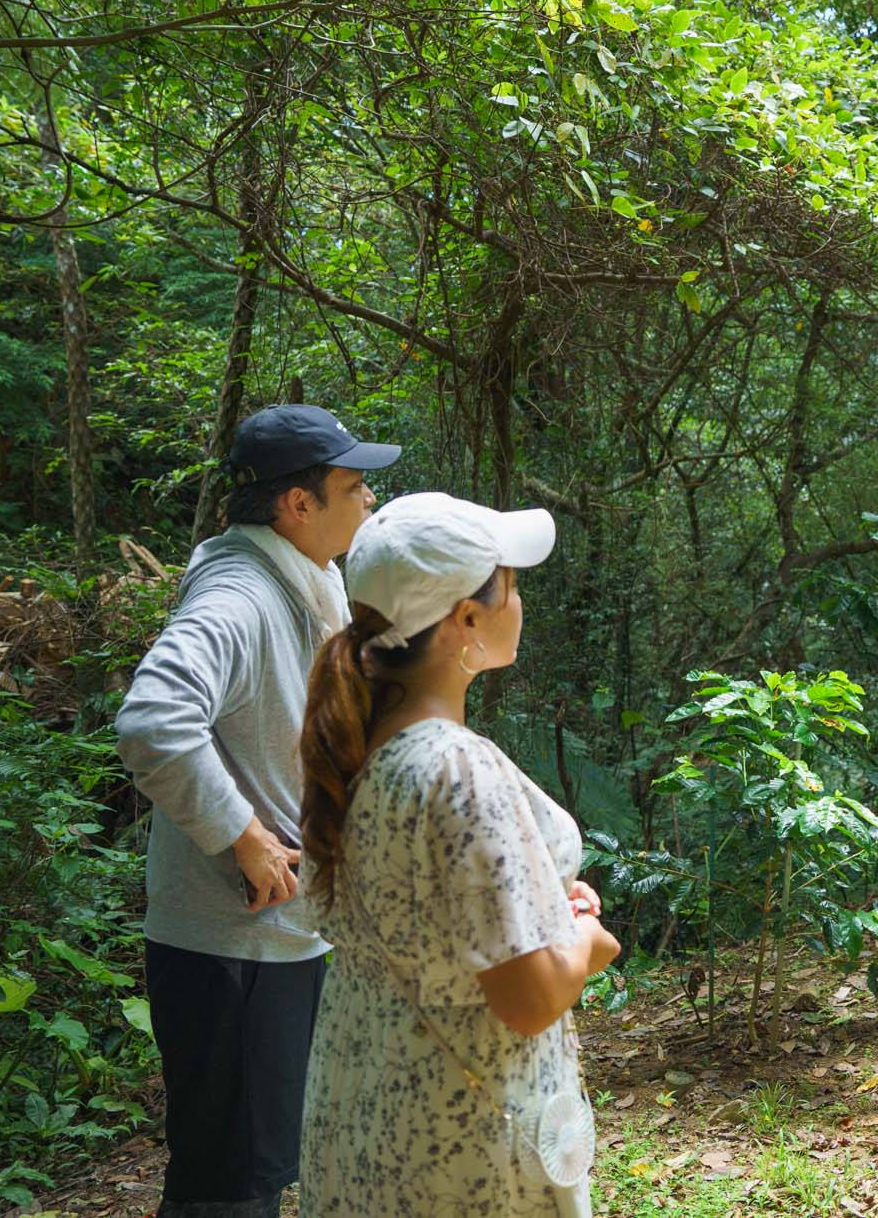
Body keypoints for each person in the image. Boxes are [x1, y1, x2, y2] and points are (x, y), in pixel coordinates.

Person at [297, 492, 619, 1215]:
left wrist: (543, 908)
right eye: (508, 581)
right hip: (467, 1145)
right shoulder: (456, 769)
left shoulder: (357, 751)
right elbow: (529, 998)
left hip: (369, 1116)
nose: (520, 598)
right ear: (464, 621)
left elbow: (431, 925)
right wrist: (585, 944)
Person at [115, 404, 400, 1215]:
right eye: (354, 484)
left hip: (277, 939)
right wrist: (243, 836)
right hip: (231, 947)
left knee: (257, 1166)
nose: (370, 499)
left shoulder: (304, 584)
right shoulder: (242, 594)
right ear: (296, 504)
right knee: (230, 1184)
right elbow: (152, 718)